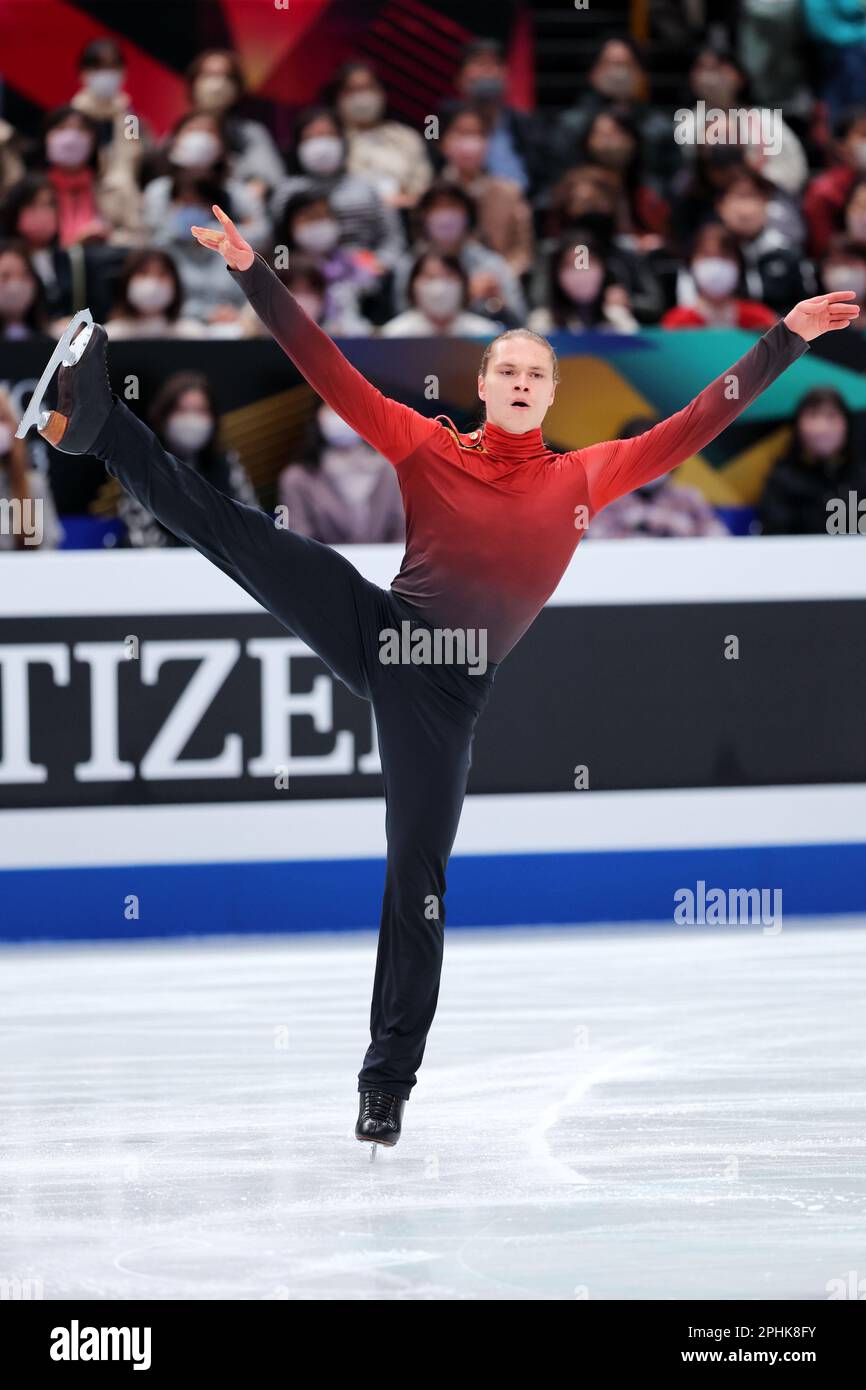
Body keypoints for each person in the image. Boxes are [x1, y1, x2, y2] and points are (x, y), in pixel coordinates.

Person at [25, 202, 859, 1149]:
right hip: (384, 627)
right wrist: (254, 270)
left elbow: (700, 419)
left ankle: (386, 1083)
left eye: (534, 373)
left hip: (447, 688)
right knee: (239, 534)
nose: (516, 380)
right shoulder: (427, 446)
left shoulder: (587, 477)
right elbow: (327, 370)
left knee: (415, 876)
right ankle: (90, 420)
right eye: (504, 367)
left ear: (550, 397)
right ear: (485, 381)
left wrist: (783, 340)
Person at [114, 372, 258, 547]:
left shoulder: (227, 463)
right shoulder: (142, 464)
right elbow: (141, 534)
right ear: (164, 416)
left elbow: (250, 523)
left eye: (200, 411)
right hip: (161, 567)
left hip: (222, 566)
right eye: (183, 410)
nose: (192, 420)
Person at [278, 402, 404, 543]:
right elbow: (298, 541)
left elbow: (404, 534)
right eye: (332, 407)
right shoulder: (297, 479)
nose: (341, 414)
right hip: (324, 564)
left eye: (348, 405)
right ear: (317, 414)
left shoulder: (390, 471)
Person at [759, 387, 864, 534]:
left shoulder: (860, 476)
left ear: (847, 424)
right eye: (813, 415)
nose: (822, 427)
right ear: (798, 424)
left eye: (831, 416)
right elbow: (774, 536)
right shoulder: (782, 480)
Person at [380, 251, 501, 337]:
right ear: (412, 285)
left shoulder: (486, 335)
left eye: (448, 276)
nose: (439, 287)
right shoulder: (393, 335)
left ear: (463, 283)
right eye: (430, 277)